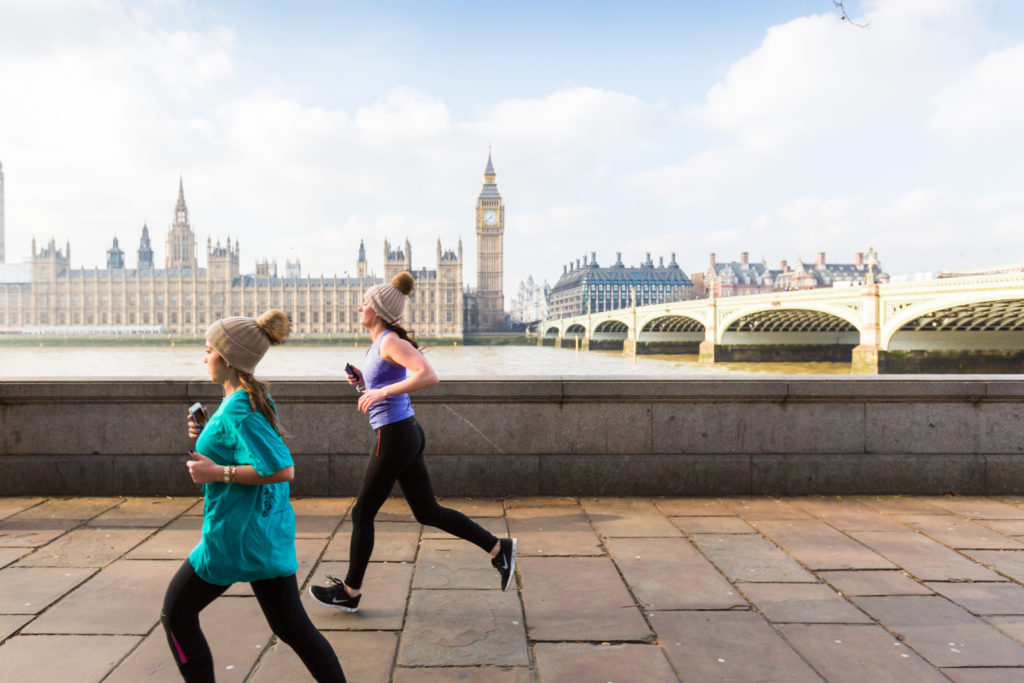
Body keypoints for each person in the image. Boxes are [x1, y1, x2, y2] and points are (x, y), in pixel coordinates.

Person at [310, 272, 516, 613]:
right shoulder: (380, 343)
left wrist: (381, 391)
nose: (359, 306)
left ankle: (350, 591)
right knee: (428, 512)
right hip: (403, 432)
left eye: (365, 302)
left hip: (395, 436)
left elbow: (428, 375)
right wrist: (365, 384)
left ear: (376, 310)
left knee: (363, 512)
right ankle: (498, 549)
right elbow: (386, 386)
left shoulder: (390, 341)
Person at [162, 310, 345, 683]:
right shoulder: (249, 400)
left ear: (228, 359)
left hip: (235, 537)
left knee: (175, 615)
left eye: (209, 349)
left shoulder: (241, 410)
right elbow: (251, 452)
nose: (204, 357)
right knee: (293, 628)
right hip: (263, 534)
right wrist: (208, 432)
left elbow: (282, 469)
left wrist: (216, 472)